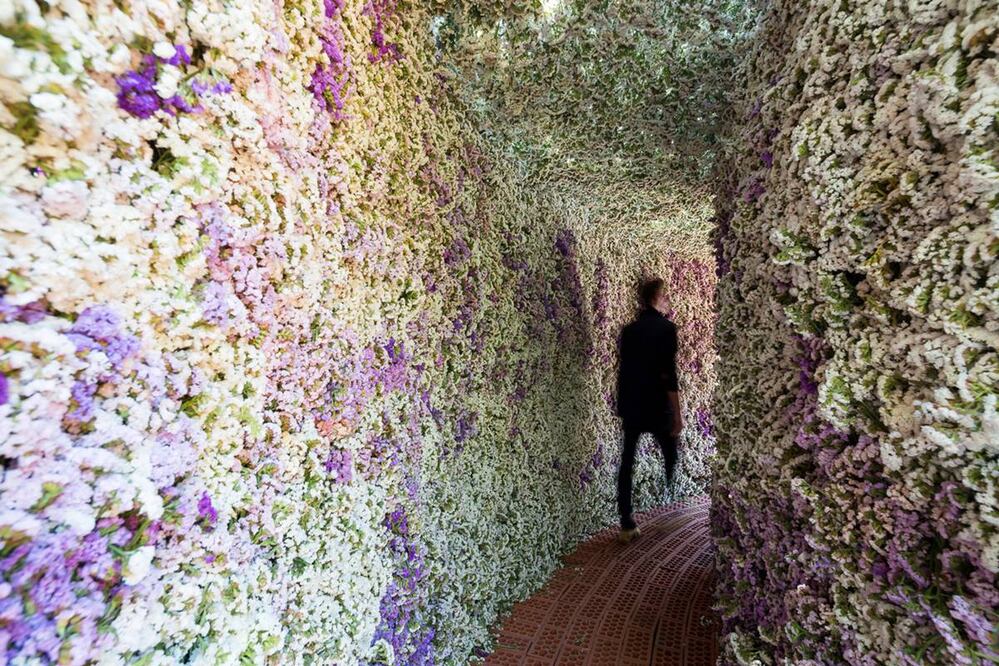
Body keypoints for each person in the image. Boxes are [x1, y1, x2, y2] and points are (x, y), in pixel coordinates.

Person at [614, 277, 683, 543]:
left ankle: (626, 521)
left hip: (632, 403)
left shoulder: (629, 330)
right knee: (670, 450)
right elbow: (668, 373)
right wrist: (677, 413)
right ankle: (671, 498)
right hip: (656, 404)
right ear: (656, 298)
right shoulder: (666, 329)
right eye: (665, 296)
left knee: (627, 461)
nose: (668, 301)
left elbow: (625, 369)